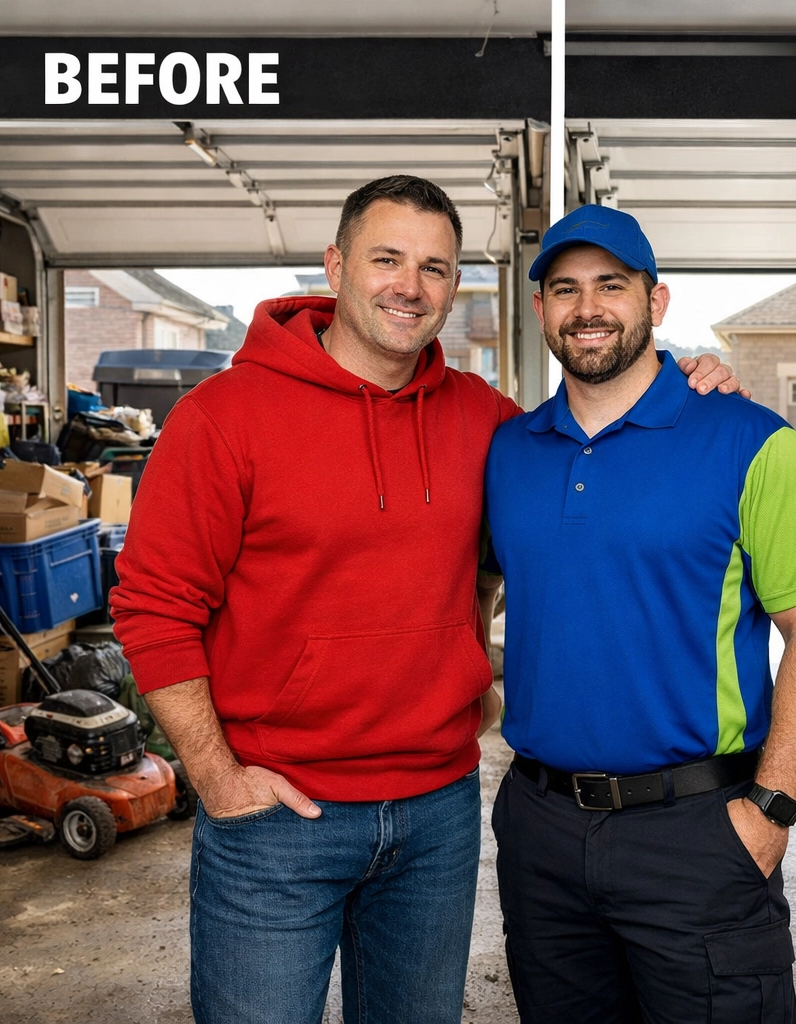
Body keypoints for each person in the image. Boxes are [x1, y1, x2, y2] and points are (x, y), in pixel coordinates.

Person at [109, 176, 744, 1024]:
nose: (410, 286)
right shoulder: (222, 417)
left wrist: (685, 381)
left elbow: (592, 440)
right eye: (386, 259)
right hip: (276, 818)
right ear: (336, 266)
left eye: (435, 268)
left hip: (437, 813)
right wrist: (215, 776)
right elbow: (154, 606)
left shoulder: (484, 421)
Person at [483, 204, 796, 1022]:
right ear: (541, 307)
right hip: (541, 832)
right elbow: (478, 588)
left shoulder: (753, 442)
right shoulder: (508, 452)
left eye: (612, 286)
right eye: (564, 289)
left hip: (698, 832)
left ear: (655, 303)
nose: (588, 307)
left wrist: (770, 812)